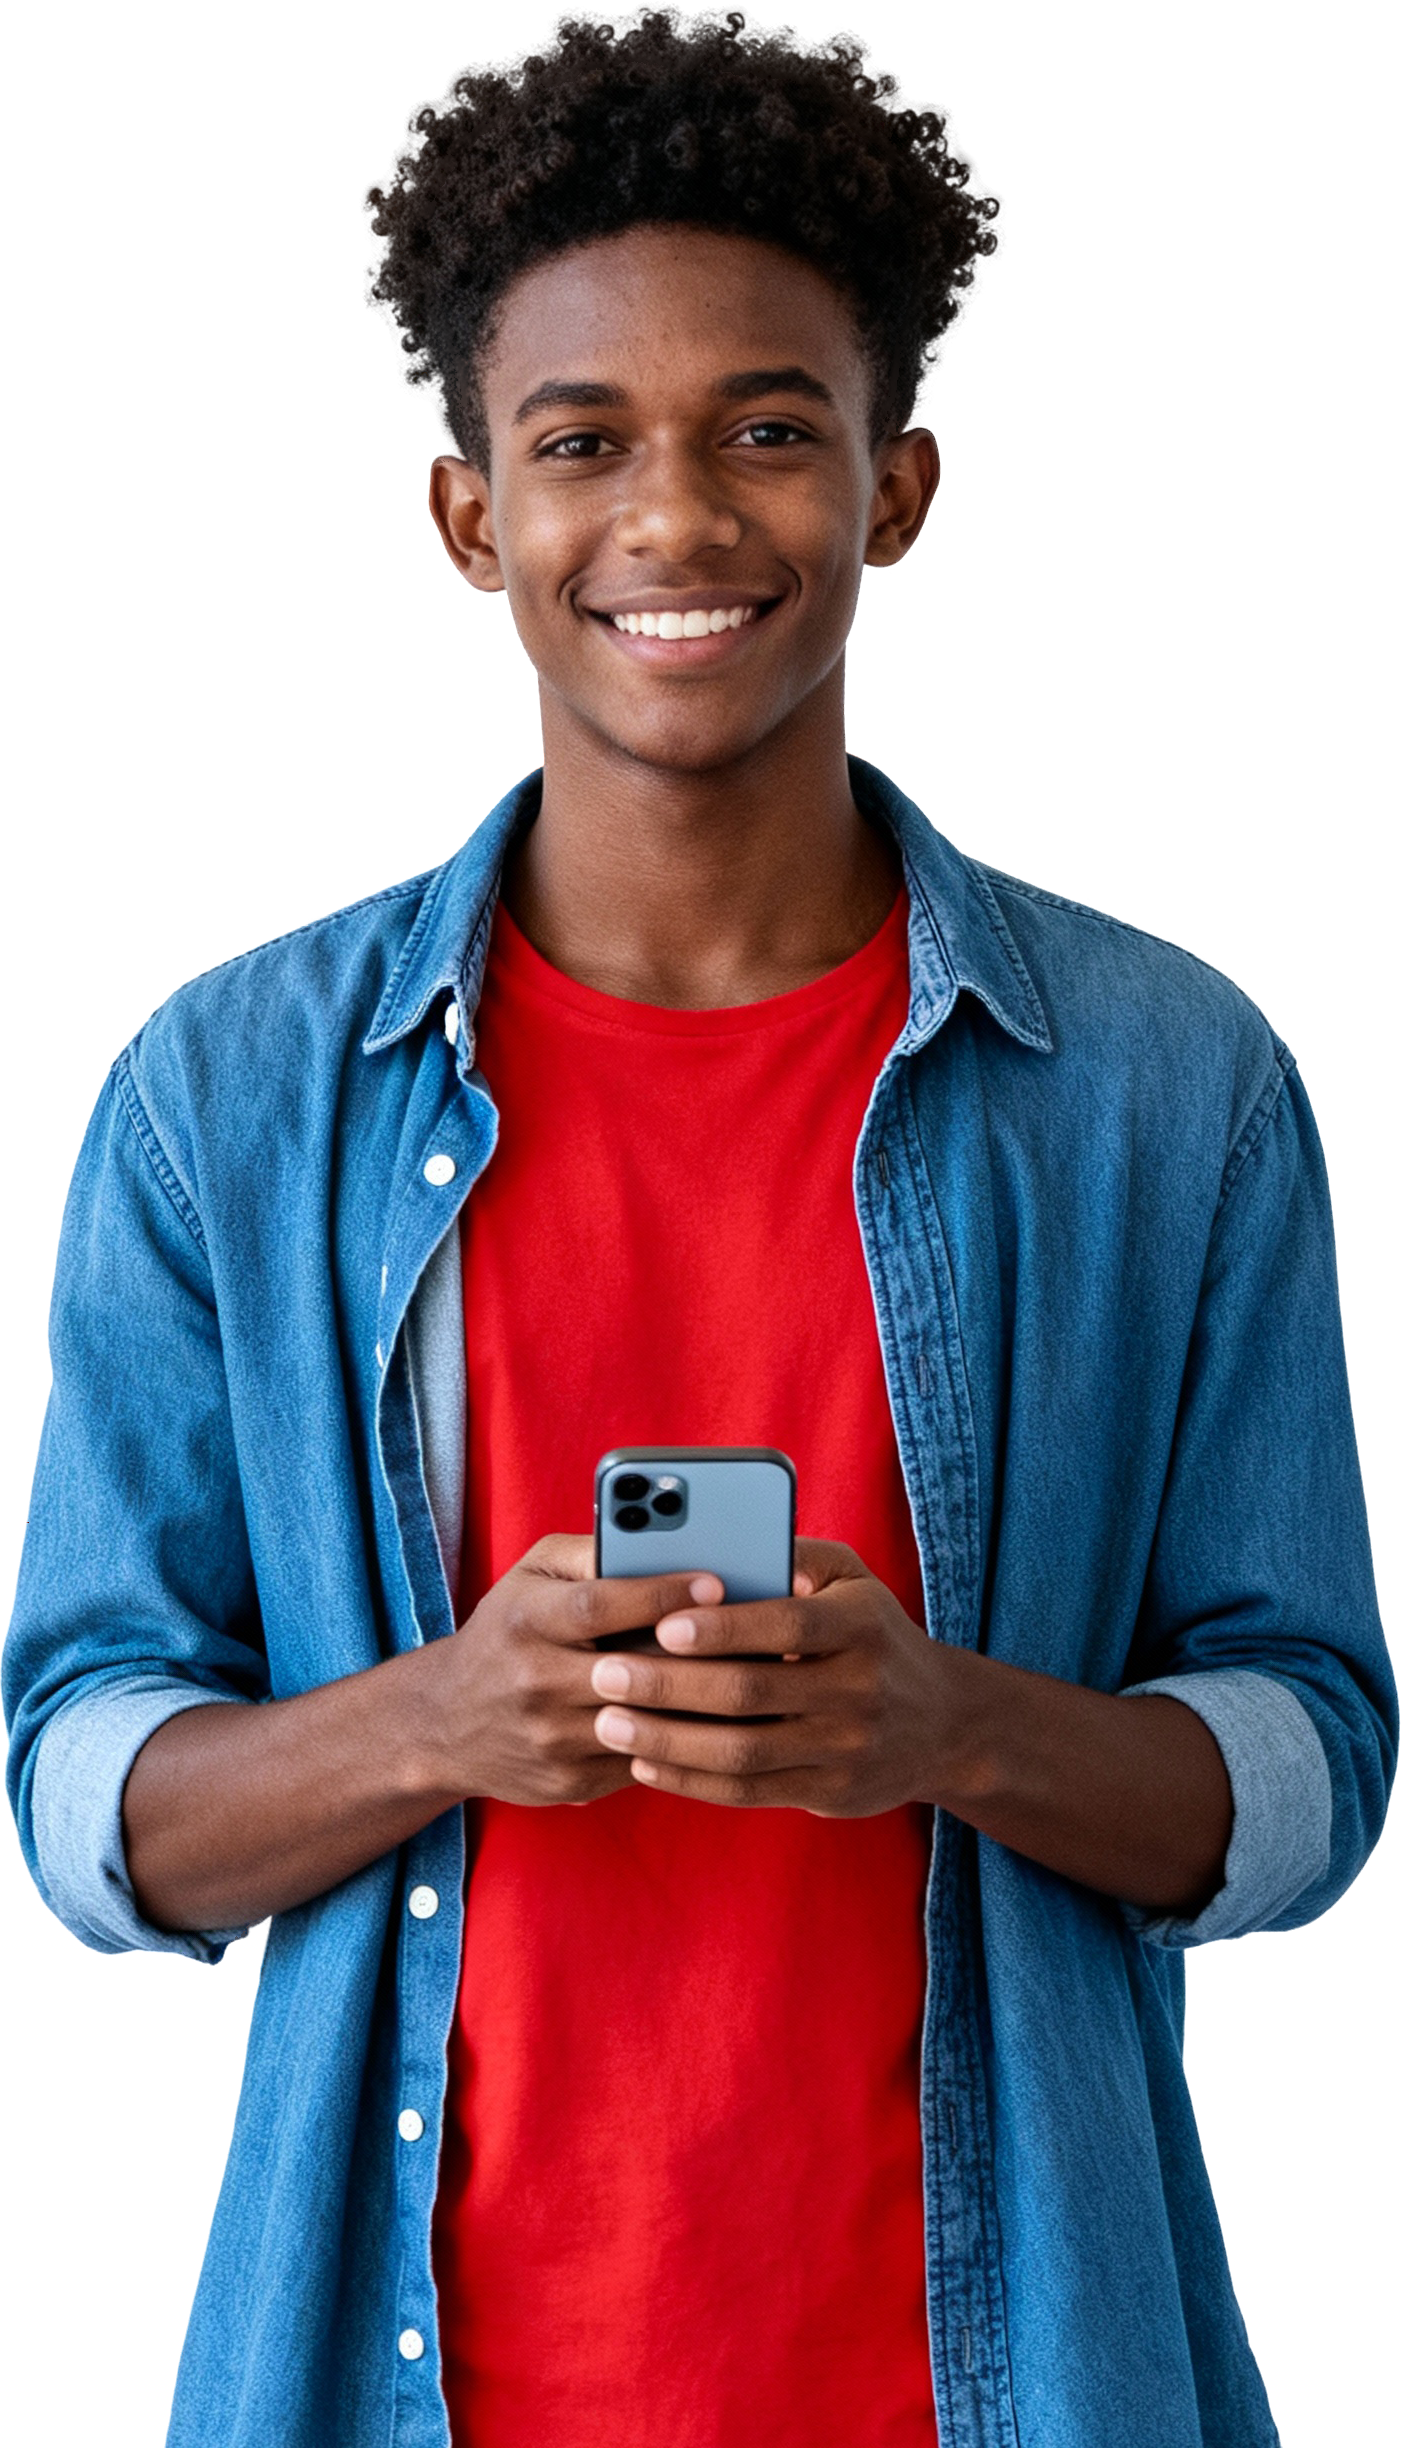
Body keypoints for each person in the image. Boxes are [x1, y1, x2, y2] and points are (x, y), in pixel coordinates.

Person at [5, 59, 1395, 2448]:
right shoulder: (225, 1098)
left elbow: (1312, 1776)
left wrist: (940, 1726)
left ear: (897, 496)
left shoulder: (1166, 1087)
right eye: (579, 441)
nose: (676, 514)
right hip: (391, 2387)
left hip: (1014, 2383)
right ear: (463, 517)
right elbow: (83, 1801)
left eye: (767, 433)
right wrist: (442, 1718)